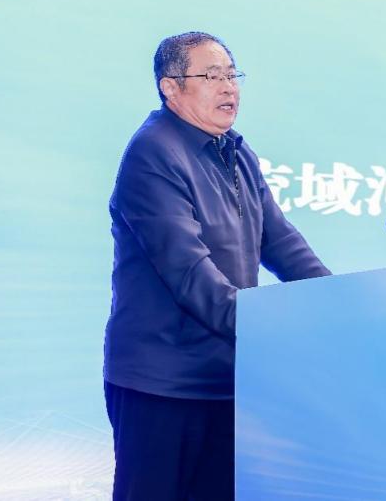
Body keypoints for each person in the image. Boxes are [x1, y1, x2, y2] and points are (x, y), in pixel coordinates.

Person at [103, 31, 330, 500]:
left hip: (227, 378)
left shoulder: (236, 152)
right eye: (212, 76)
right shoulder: (153, 153)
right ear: (171, 87)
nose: (229, 87)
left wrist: (340, 304)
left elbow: (281, 241)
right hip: (163, 385)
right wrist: (276, 329)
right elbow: (189, 273)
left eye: (232, 75)